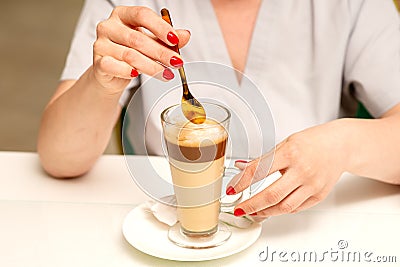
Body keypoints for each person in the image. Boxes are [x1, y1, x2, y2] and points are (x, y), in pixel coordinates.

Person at [38, 0, 400, 221]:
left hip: (303, 229)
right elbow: (60, 159)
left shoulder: (353, 4)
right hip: (169, 229)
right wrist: (99, 83)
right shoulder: (129, 10)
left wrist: (344, 144)